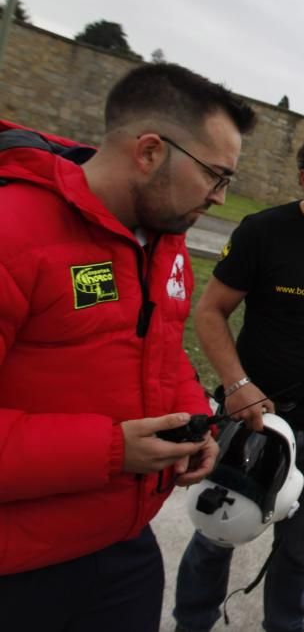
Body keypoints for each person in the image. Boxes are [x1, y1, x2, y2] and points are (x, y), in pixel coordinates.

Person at [0, 63, 257, 630]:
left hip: (120, 550)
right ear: (148, 152)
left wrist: (194, 420)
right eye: (216, 176)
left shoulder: (164, 242)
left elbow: (160, 356)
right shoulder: (13, 232)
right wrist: (112, 451)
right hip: (18, 570)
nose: (218, 199)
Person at [173, 128, 304, 632]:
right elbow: (210, 313)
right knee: (217, 534)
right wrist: (236, 383)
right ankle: (191, 624)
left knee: (299, 551)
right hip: (248, 425)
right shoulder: (262, 232)